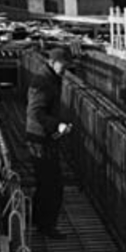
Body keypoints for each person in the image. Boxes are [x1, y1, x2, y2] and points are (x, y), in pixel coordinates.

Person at [26, 47, 72, 238]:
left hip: (43, 137)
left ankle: (38, 221)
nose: (66, 68)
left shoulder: (50, 78)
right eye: (64, 64)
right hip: (40, 140)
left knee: (44, 183)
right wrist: (56, 125)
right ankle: (47, 227)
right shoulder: (43, 82)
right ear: (53, 62)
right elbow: (35, 112)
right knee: (53, 186)